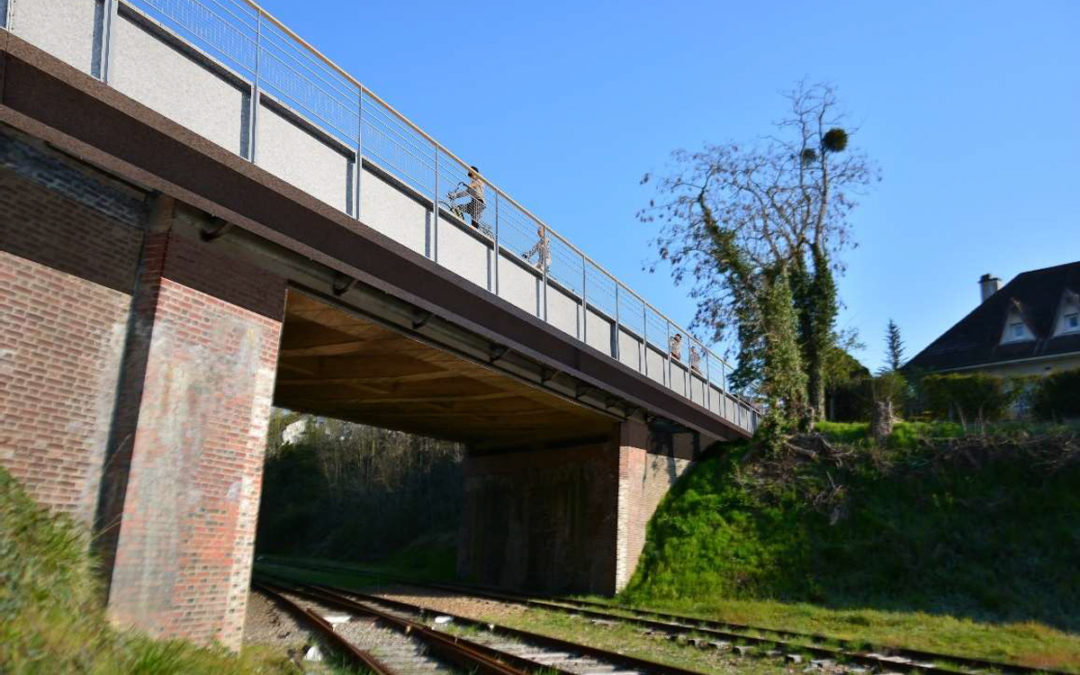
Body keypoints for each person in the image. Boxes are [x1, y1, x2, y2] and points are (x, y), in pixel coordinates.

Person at [446, 165, 486, 231]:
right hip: (473, 202)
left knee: (474, 218)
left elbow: (474, 185)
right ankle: (460, 222)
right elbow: (466, 192)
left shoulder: (480, 178)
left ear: (474, 173)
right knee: (458, 208)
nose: (471, 177)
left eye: (471, 174)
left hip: (479, 202)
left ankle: (474, 232)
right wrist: (455, 195)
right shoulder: (473, 182)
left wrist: (467, 185)